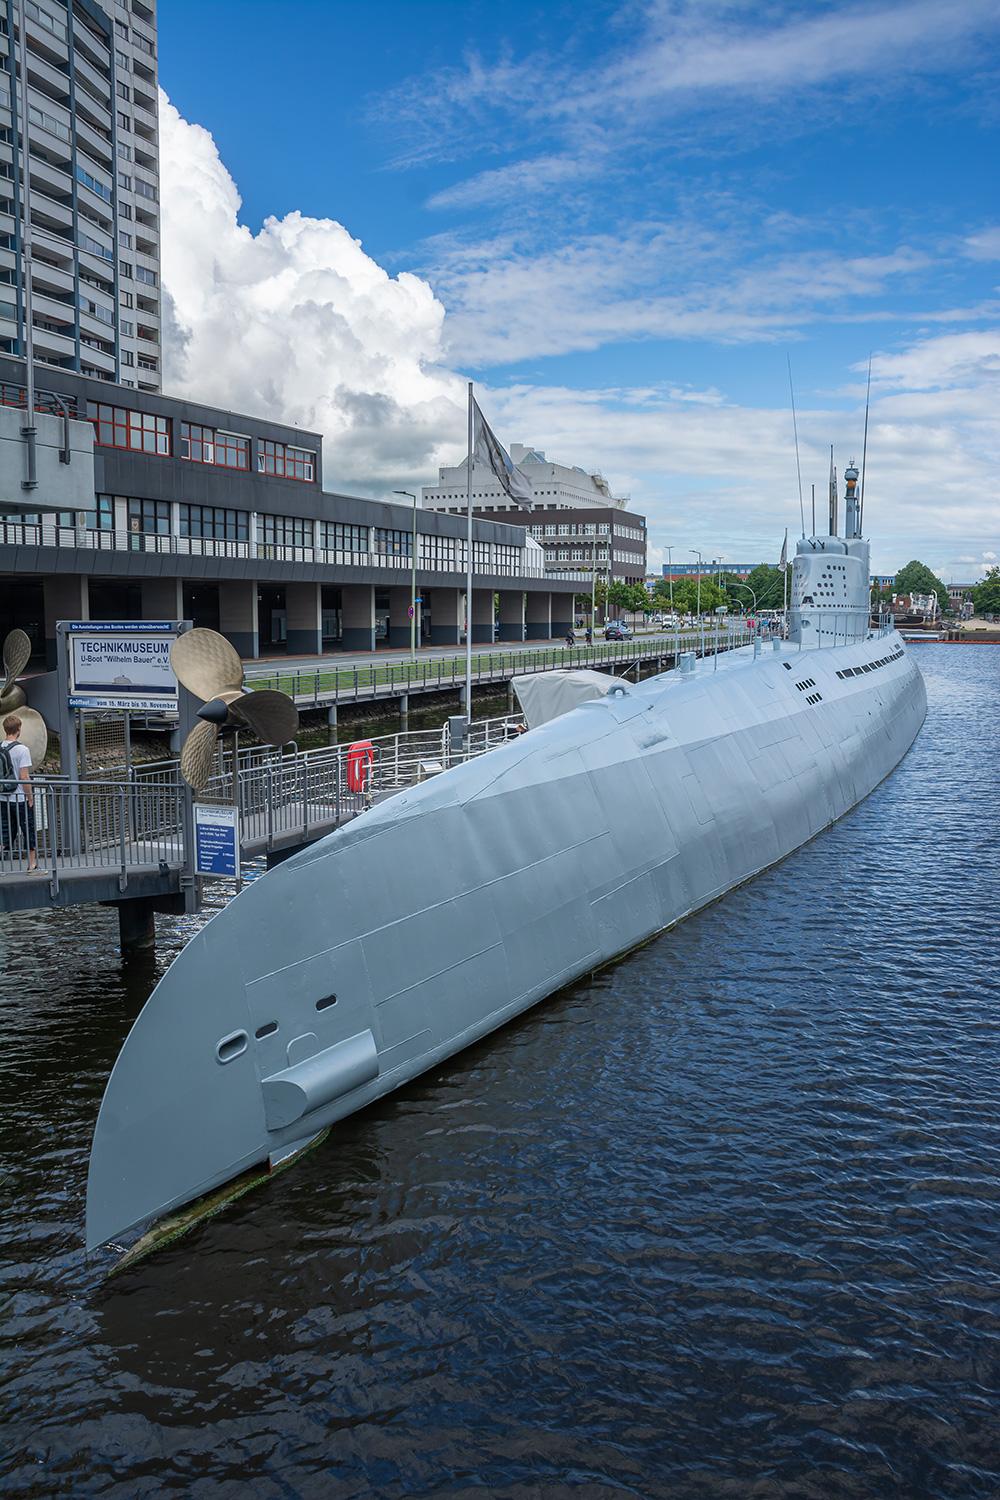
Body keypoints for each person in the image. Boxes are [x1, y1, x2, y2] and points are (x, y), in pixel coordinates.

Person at [1, 713, 37, 872]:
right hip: (19, 798)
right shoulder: (22, 750)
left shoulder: (0, 747)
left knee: (5, 832)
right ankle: (32, 865)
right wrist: (30, 797)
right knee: (28, 829)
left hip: (3, 797)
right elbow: (24, 777)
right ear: (19, 729)